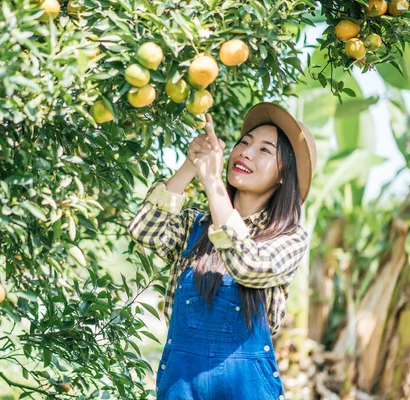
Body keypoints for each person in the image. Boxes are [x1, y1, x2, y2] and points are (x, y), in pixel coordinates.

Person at [128, 102, 317, 400]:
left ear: (284, 175)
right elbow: (144, 230)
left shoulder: (288, 239)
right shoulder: (195, 226)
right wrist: (193, 162)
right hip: (181, 388)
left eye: (265, 150)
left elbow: (249, 266)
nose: (245, 152)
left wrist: (213, 183)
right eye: (244, 142)